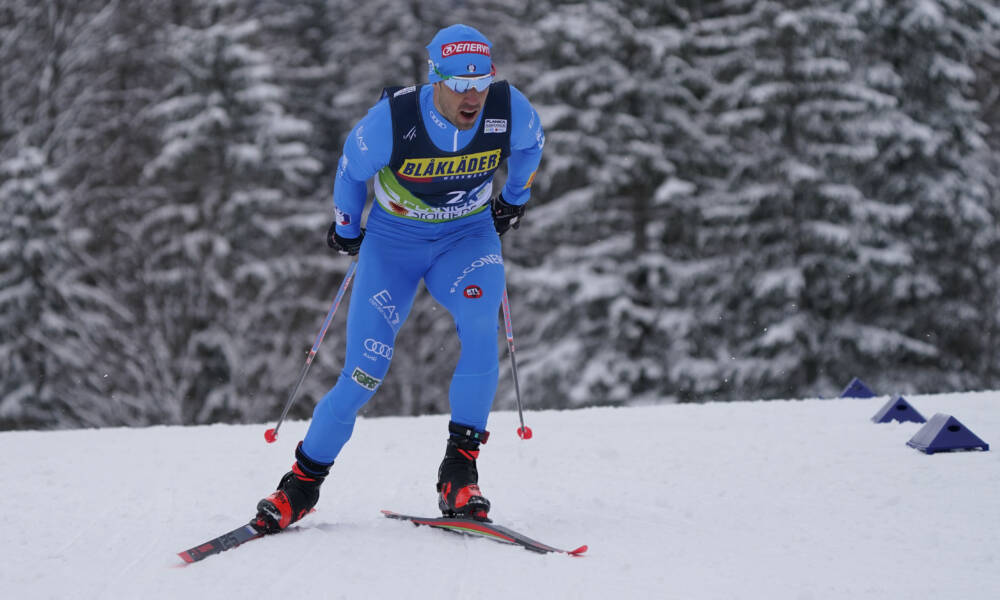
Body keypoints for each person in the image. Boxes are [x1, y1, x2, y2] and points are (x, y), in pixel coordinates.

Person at [252, 24, 545, 531]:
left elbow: (532, 147)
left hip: (467, 240)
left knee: (481, 330)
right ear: (436, 79)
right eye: (460, 83)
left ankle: (459, 475)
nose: (472, 96)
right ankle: (299, 486)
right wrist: (347, 228)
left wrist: (514, 199)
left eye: (481, 82)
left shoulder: (508, 108)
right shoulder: (394, 120)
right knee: (364, 371)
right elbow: (350, 170)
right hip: (394, 246)